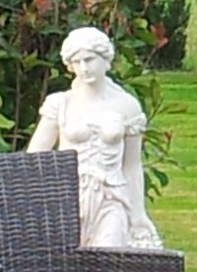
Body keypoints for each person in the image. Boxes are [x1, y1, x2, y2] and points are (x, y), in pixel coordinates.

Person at [27, 26, 163, 249]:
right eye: (77, 62)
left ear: (105, 59)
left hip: (112, 196)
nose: (84, 68)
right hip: (68, 199)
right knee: (68, 267)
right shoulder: (61, 103)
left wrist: (138, 215)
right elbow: (34, 159)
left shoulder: (126, 106)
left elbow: (131, 165)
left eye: (89, 60)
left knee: (107, 256)